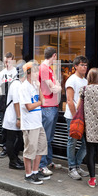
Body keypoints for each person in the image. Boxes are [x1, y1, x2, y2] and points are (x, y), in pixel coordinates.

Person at [19, 61, 49, 185]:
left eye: (38, 71)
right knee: (30, 150)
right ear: (28, 73)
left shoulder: (35, 86)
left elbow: (42, 99)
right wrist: (40, 102)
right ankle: (28, 174)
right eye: (35, 72)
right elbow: (29, 107)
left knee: (41, 148)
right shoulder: (24, 87)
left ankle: (36, 172)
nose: (37, 74)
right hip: (29, 124)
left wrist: (39, 88)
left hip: (38, 122)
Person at [64, 56, 89, 180]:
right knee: (72, 142)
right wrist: (75, 117)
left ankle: (77, 165)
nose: (84, 67)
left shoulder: (85, 81)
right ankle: (71, 168)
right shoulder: (71, 80)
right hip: (72, 117)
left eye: (86, 65)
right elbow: (69, 101)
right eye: (82, 65)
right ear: (75, 66)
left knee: (86, 143)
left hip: (84, 117)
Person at [39, 46, 62, 176]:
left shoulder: (48, 69)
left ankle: (48, 161)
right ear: (54, 55)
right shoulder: (44, 68)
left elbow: (57, 86)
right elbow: (55, 88)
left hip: (51, 106)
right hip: (47, 107)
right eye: (56, 56)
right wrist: (58, 87)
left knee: (49, 137)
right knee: (45, 138)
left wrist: (57, 87)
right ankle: (42, 165)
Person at [2, 62, 25, 170]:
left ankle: (15, 158)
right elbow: (16, 102)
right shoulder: (16, 84)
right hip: (13, 116)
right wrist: (19, 118)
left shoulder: (20, 84)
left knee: (20, 139)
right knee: (11, 140)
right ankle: (12, 161)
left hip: (16, 116)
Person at [0, 52, 18, 158]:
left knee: (14, 128)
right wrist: (0, 101)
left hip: (14, 103)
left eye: (9, 61)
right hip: (5, 103)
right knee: (4, 127)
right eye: (5, 61)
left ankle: (13, 149)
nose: (7, 63)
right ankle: (5, 147)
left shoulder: (16, 72)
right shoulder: (1, 73)